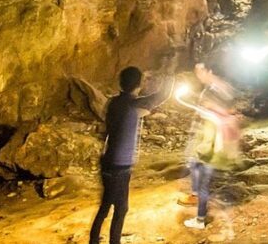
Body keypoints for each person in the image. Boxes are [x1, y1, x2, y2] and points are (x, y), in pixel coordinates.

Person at [89, 66, 173, 244]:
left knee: (105, 205)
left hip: (107, 160)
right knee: (121, 209)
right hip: (120, 165)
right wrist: (170, 74)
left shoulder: (113, 103)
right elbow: (162, 96)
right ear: (139, 84)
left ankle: (94, 239)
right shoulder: (134, 105)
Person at [180, 64, 239, 230]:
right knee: (195, 167)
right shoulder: (214, 91)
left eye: (201, 71)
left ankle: (200, 219)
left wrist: (209, 112)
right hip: (209, 144)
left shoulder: (218, 94)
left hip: (210, 148)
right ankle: (195, 195)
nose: (198, 75)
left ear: (210, 71)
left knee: (203, 181)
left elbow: (225, 114)